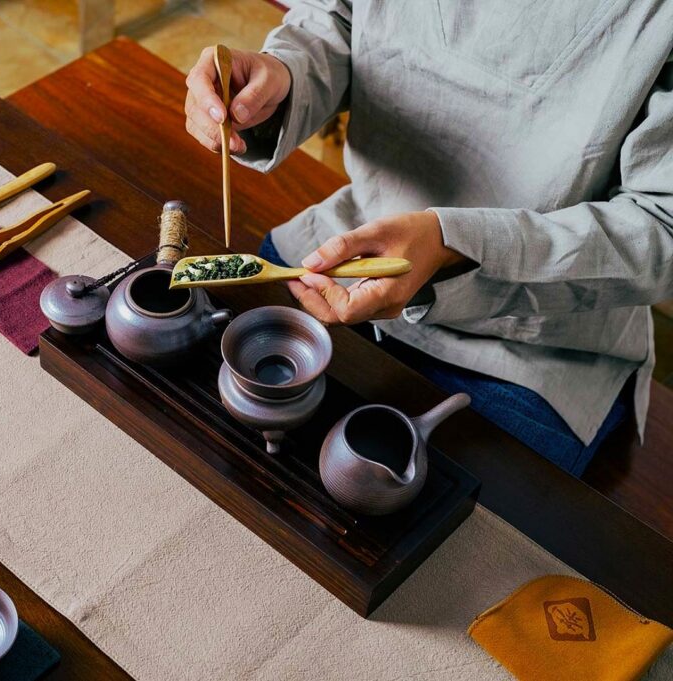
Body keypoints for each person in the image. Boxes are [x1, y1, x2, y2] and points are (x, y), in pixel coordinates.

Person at [183, 1, 673, 476]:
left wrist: (453, 245)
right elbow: (339, 17)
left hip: (537, 349)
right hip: (344, 253)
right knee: (198, 421)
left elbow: (661, 226)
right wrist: (279, 76)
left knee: (438, 520)